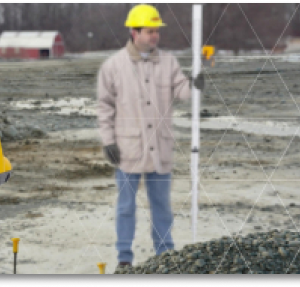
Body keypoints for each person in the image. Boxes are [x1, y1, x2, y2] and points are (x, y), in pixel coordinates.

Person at [96, 4, 205, 272]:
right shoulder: (113, 66)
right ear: (134, 32)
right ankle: (124, 258)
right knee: (125, 207)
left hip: (160, 150)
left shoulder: (168, 62)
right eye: (149, 31)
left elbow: (182, 91)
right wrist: (108, 141)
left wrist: (195, 85)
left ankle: (165, 254)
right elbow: (104, 107)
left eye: (156, 31)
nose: (155, 36)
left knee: (161, 207)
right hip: (127, 149)